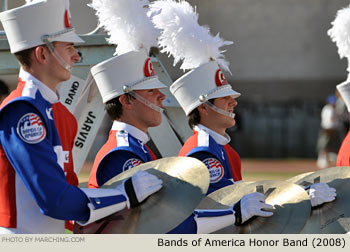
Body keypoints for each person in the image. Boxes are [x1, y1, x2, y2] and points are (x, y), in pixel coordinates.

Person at [0, 0, 162, 234]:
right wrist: (122, 195)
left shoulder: (58, 114)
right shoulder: (22, 111)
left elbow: (69, 190)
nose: (76, 56)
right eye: (68, 48)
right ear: (42, 53)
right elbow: (54, 199)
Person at [316, 94, 341, 168]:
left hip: (334, 130)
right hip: (327, 130)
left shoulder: (335, 109)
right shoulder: (328, 109)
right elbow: (330, 121)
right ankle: (323, 160)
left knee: (333, 146)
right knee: (324, 146)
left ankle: (330, 160)